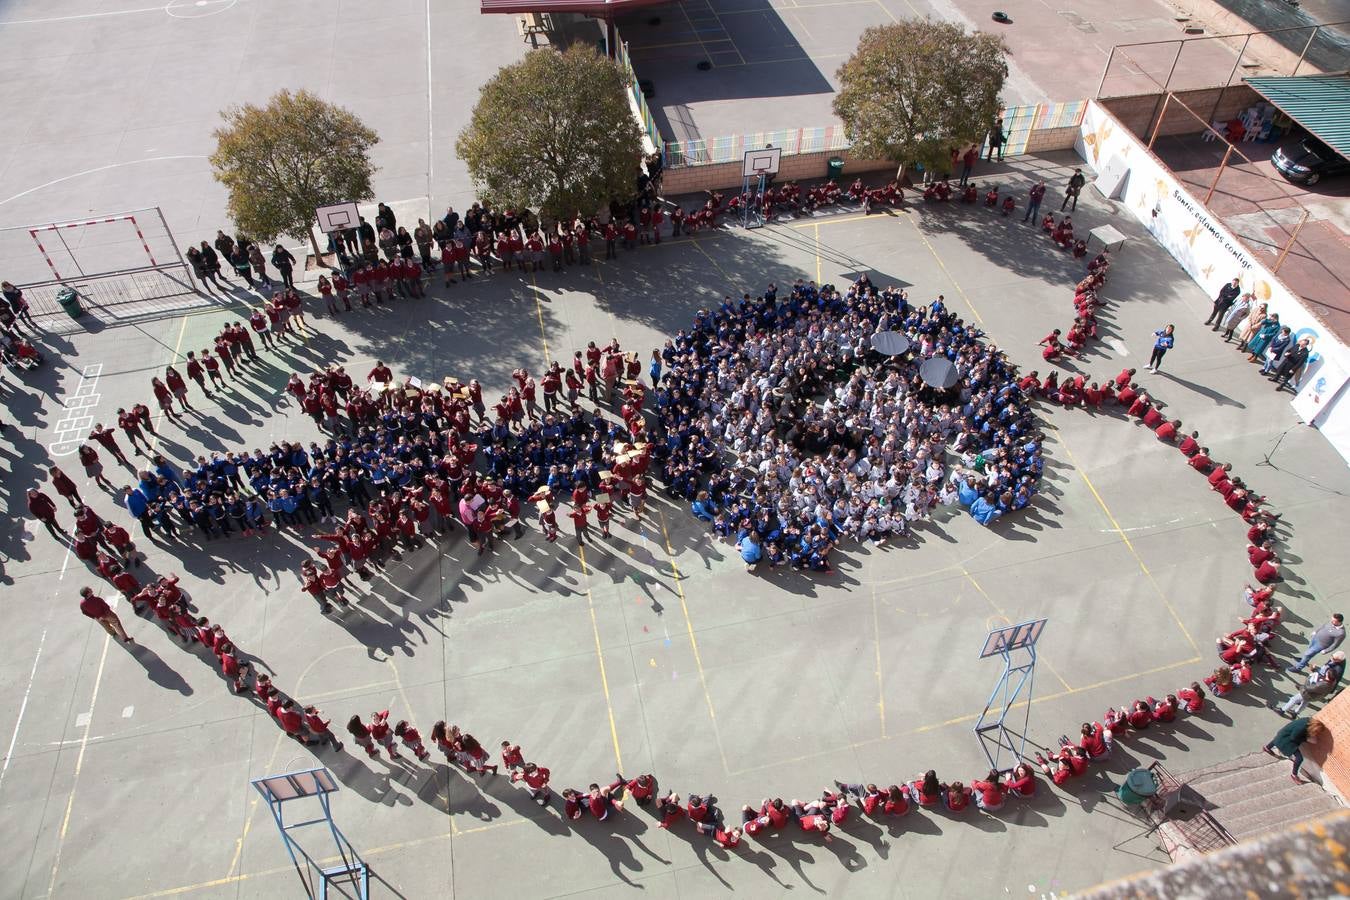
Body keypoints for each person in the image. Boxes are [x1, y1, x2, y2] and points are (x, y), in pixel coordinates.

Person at [1275, 651, 1345, 717]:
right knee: (1305, 702)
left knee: (1294, 699)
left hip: (1308, 693)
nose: (1331, 658)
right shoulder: (1331, 681)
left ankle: (1282, 710)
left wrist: (1308, 679)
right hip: (1314, 695)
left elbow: (1308, 688)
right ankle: (1295, 713)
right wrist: (1315, 671)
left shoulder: (1323, 684)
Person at [1263, 717, 1327, 782]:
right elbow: (1294, 737)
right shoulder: (1302, 728)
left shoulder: (1307, 720)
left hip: (1284, 733)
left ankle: (1267, 747)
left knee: (1278, 739)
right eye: (1316, 732)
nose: (1316, 734)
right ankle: (1294, 774)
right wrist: (1307, 739)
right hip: (1287, 740)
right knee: (1299, 758)